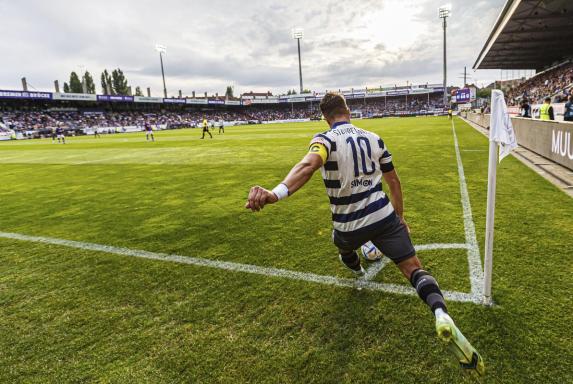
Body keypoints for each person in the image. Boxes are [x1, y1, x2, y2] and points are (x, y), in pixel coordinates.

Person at [244, 93, 484, 377]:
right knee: (413, 269)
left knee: (343, 247)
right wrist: (400, 218)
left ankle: (356, 267)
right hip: (383, 217)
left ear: (325, 116)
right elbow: (393, 181)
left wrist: (275, 193)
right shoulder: (374, 138)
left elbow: (308, 166)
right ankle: (440, 313)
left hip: (348, 225)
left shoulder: (325, 140)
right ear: (348, 110)